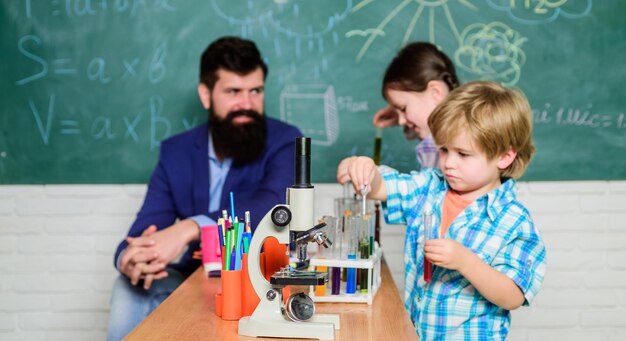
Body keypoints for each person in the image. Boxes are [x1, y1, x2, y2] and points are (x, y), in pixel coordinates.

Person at [106, 36, 302, 340]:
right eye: (234, 92)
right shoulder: (176, 152)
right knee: (127, 287)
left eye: (256, 91)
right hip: (191, 278)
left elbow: (273, 204)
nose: (247, 104)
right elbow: (144, 229)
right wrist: (132, 259)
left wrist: (190, 227)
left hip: (256, 280)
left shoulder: (285, 140)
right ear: (206, 95)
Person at [337, 81, 546, 339]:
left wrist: (466, 262)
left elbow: (513, 295)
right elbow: (383, 186)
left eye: (463, 154)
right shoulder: (430, 188)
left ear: (504, 156)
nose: (449, 163)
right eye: (444, 150)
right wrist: (364, 168)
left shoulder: (513, 220)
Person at [373, 41, 460, 169]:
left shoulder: (456, 144)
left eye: (403, 108)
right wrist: (400, 113)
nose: (401, 121)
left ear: (435, 92)